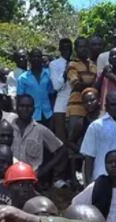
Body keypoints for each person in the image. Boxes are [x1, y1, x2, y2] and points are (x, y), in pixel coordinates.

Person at [81, 89, 116, 182]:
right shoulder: (96, 126)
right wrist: (88, 185)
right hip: (101, 180)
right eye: (113, 105)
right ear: (106, 106)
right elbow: (89, 157)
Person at [66, 37, 101, 185]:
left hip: (91, 107)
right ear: (76, 48)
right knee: (74, 141)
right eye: (79, 47)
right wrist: (92, 84)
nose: (83, 50)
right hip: (76, 107)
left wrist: (88, 84)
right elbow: (76, 84)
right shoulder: (72, 65)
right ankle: (73, 178)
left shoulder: (93, 65)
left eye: (85, 46)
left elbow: (89, 83)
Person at [11, 95, 65, 176]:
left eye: (29, 106)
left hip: (31, 179)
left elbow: (61, 149)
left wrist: (44, 170)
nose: (25, 109)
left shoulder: (41, 130)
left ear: (33, 109)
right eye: (22, 106)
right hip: (10, 176)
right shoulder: (8, 128)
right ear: (16, 108)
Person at [50, 39, 73, 182]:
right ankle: (58, 176)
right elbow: (56, 86)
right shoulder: (55, 64)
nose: (66, 50)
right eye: (63, 48)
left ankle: (71, 175)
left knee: (73, 142)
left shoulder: (77, 61)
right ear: (60, 49)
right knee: (60, 142)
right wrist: (66, 71)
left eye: (69, 47)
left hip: (76, 106)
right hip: (61, 106)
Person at [17, 48, 54, 123]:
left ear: (41, 58)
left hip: (48, 114)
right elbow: (19, 98)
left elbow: (52, 95)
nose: (36, 59)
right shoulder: (23, 78)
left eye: (38, 56)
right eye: (34, 56)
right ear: (30, 59)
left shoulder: (49, 74)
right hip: (32, 115)